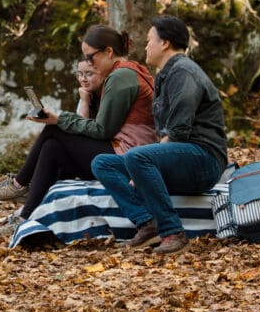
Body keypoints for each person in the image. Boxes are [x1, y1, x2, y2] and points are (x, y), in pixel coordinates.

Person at [0, 25, 157, 238]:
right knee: (52, 147)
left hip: (127, 156)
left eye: (91, 57)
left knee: (54, 131)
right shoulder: (129, 70)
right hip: (124, 151)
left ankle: (18, 185)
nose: (88, 62)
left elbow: (102, 130)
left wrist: (58, 119)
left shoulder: (121, 76)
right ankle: (24, 217)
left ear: (109, 52)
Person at [91, 15, 229, 254]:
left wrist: (143, 162)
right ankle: (147, 223)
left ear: (164, 43)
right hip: (181, 158)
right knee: (103, 164)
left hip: (203, 160)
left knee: (137, 157)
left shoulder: (184, 72)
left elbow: (178, 132)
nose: (146, 46)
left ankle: (173, 231)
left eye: (149, 40)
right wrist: (144, 165)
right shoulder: (166, 75)